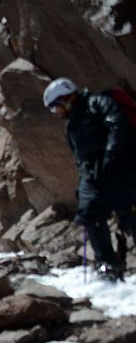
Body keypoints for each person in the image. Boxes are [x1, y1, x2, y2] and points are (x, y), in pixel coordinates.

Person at [43, 77, 136, 280]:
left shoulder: (98, 102)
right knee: (90, 214)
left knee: (129, 215)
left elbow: (118, 124)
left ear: (66, 98)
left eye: (55, 107)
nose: (56, 113)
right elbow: (79, 157)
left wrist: (111, 155)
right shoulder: (72, 127)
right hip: (94, 176)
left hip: (120, 169)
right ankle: (107, 266)